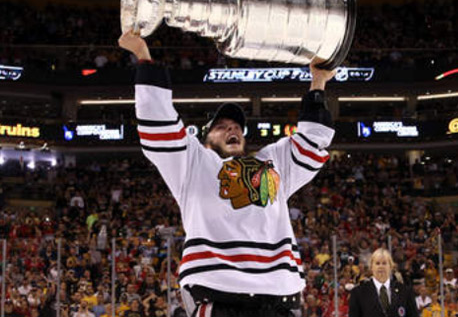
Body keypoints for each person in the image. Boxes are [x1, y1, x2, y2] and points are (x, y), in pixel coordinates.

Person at [118, 32, 336, 317]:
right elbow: (158, 124)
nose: (233, 129)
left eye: (237, 126)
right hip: (218, 300)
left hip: (278, 300)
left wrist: (318, 82)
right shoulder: (193, 163)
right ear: (207, 139)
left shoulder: (270, 164)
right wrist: (144, 56)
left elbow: (312, 140)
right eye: (223, 125)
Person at [348, 248, 419, 317]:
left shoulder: (405, 291)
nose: (381, 267)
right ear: (371, 267)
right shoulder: (358, 293)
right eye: (377, 263)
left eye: (384, 263)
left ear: (391, 266)